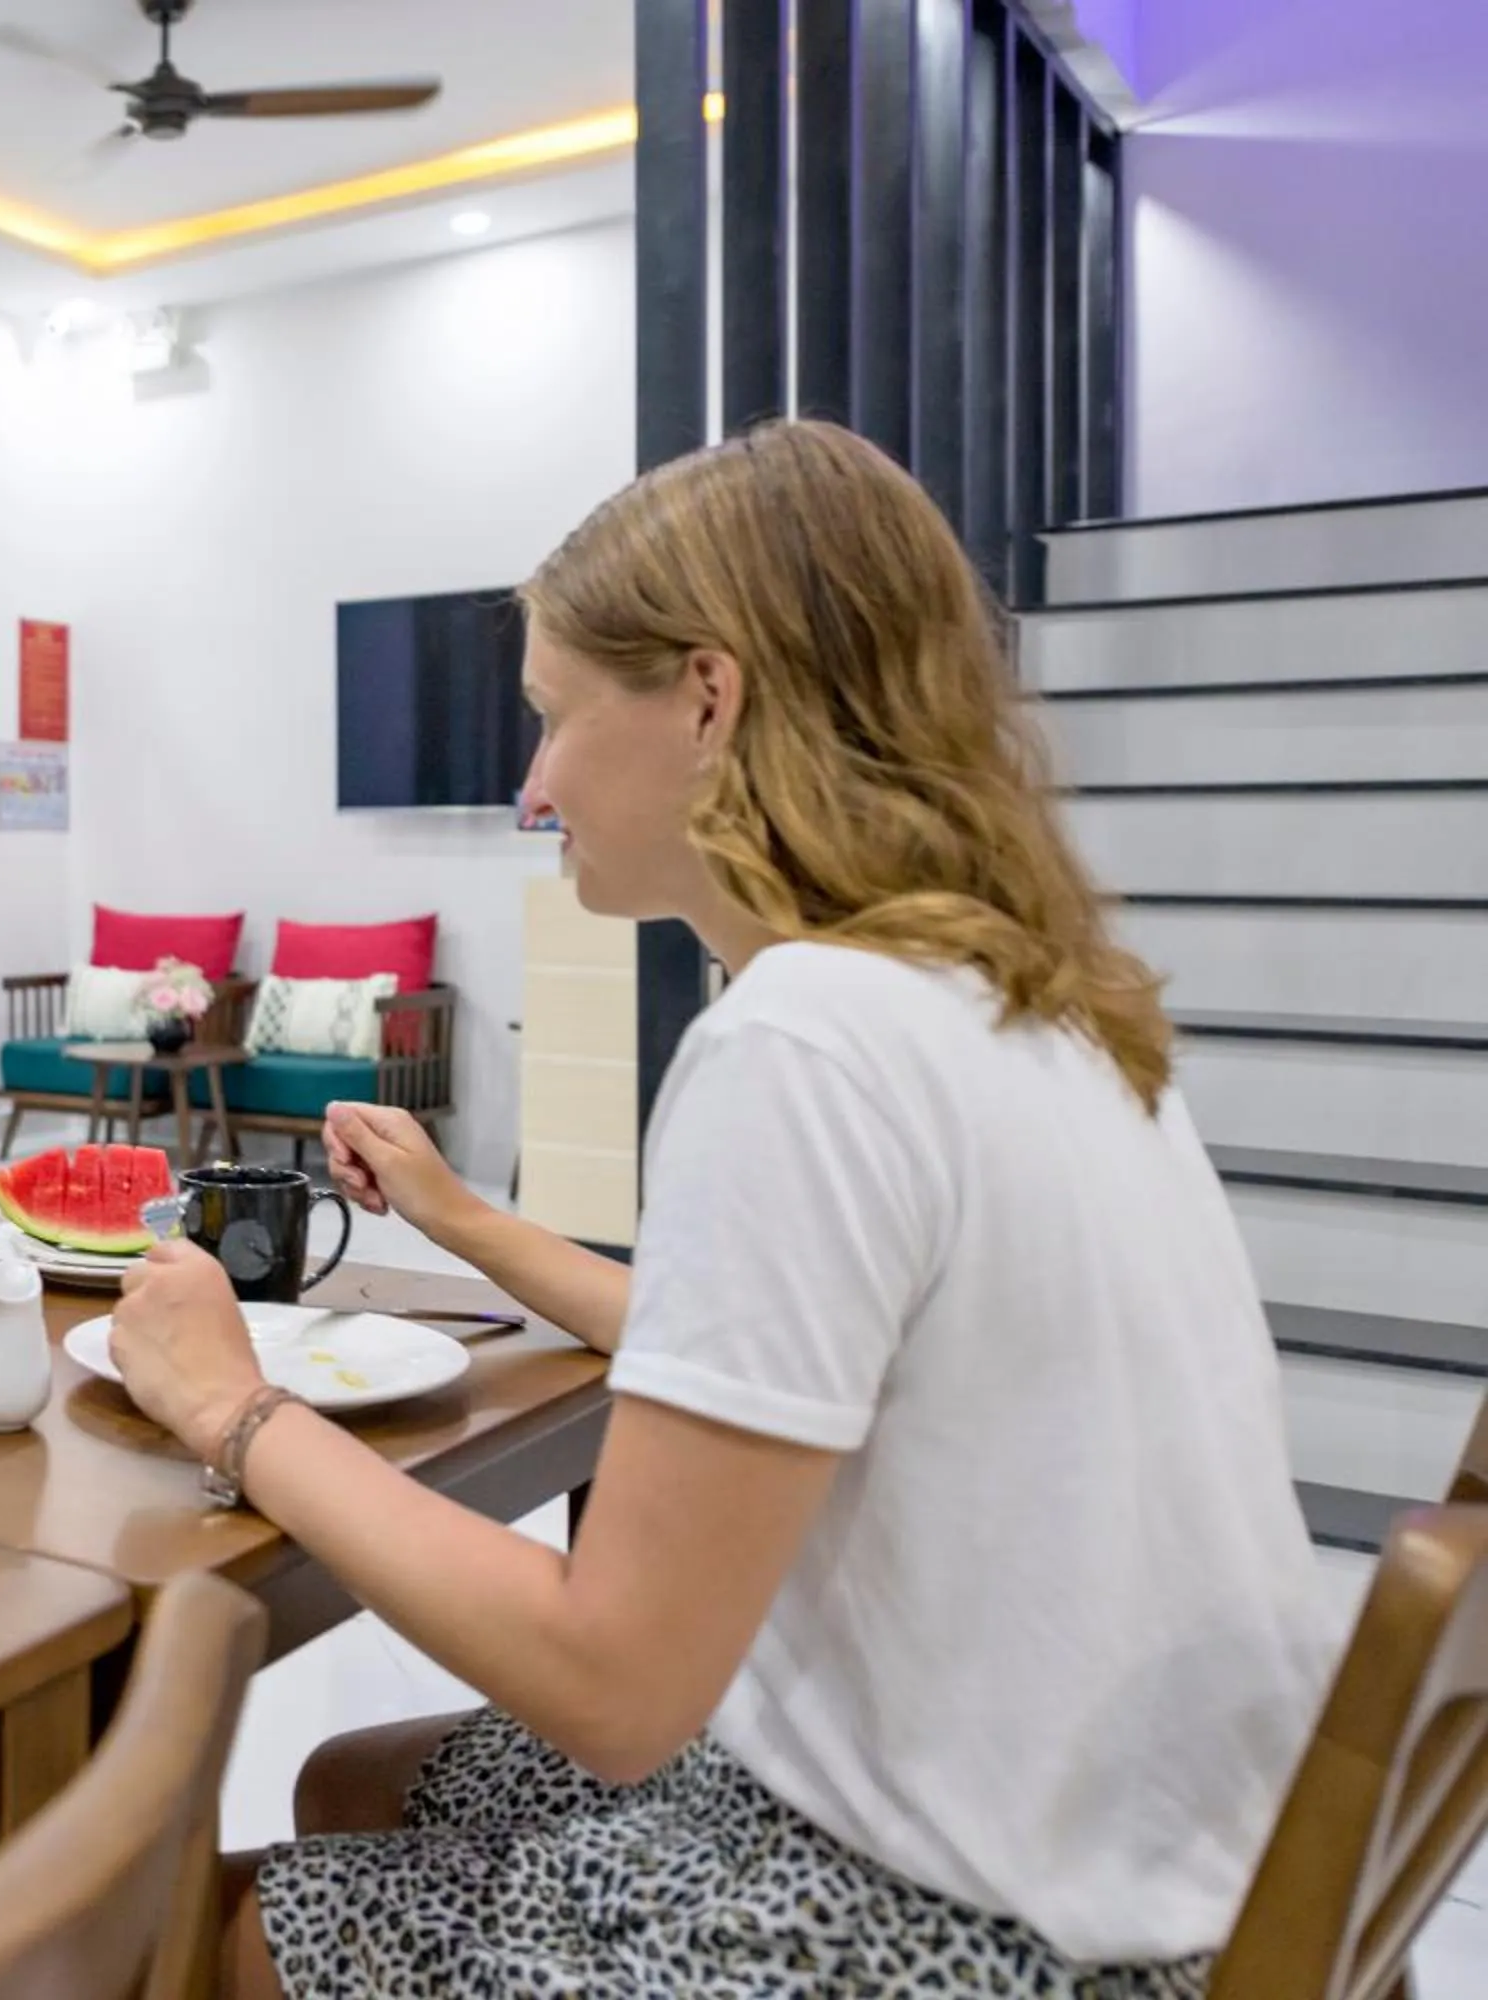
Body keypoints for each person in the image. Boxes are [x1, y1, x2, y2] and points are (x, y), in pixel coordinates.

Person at [110, 421, 1327, 1998]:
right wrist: (466, 1223)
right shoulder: (1014, 997)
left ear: (706, 694)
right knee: (355, 1783)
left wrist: (233, 1408)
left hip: (970, 1929)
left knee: (196, 1940)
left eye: (550, 720)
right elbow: (779, 1363)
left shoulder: (804, 1037)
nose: (534, 790)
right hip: (1156, 1861)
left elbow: (612, 1684)